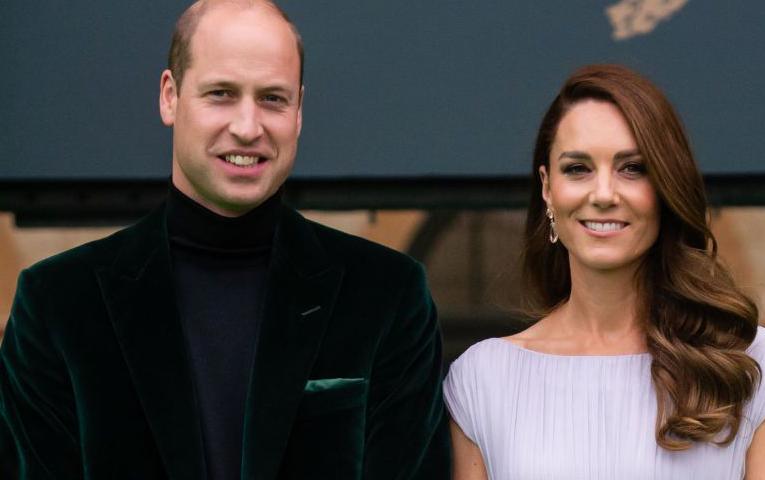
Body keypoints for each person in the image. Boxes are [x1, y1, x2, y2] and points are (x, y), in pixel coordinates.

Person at [0, 1, 449, 478]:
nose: (247, 127)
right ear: (169, 97)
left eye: (273, 98)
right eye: (221, 93)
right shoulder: (58, 304)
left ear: (299, 110)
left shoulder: (387, 296)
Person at [443, 64, 765, 479]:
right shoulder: (482, 378)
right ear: (547, 187)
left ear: (666, 186)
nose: (603, 195)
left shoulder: (753, 366)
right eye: (577, 169)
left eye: (632, 168)